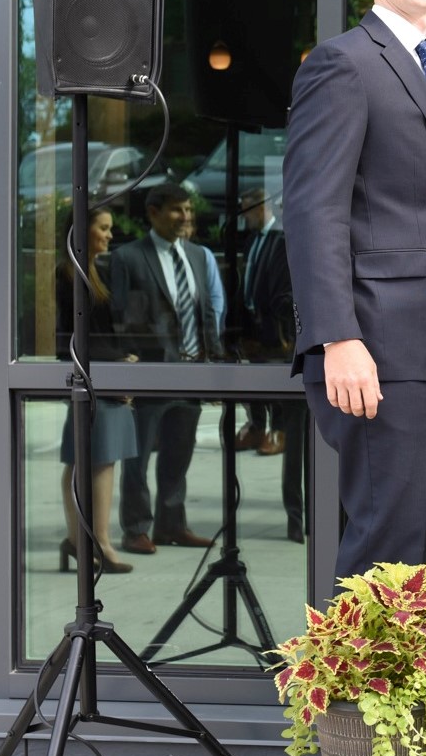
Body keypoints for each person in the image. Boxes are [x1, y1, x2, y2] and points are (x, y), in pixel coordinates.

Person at [282, 0, 426, 580]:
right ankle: (346, 693)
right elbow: (313, 210)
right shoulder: (343, 64)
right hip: (375, 347)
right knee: (383, 544)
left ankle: (401, 691)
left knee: (417, 542)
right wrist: (337, 337)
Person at [109, 181, 223, 555]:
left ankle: (171, 524)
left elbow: (206, 310)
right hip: (151, 375)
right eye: (176, 209)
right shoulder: (128, 257)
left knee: (178, 455)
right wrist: (126, 369)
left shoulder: (196, 256)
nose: (185, 217)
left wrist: (214, 362)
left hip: (191, 373)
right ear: (153, 213)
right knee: (137, 460)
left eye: (188, 210)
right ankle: (136, 528)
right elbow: (120, 318)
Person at [56, 205, 136, 574]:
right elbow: (70, 340)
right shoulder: (67, 274)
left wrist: (123, 360)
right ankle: (95, 541)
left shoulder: (94, 272)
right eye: (103, 228)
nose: (109, 235)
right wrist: (117, 363)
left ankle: (85, 540)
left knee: (99, 461)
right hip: (92, 380)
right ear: (82, 230)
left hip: (104, 377)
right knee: (90, 461)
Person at [236, 188, 305, 543]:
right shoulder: (257, 242)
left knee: (303, 440)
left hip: (294, 346)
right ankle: (297, 517)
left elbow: (287, 296)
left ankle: (311, 517)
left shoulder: (288, 240)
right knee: (294, 441)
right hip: (264, 342)